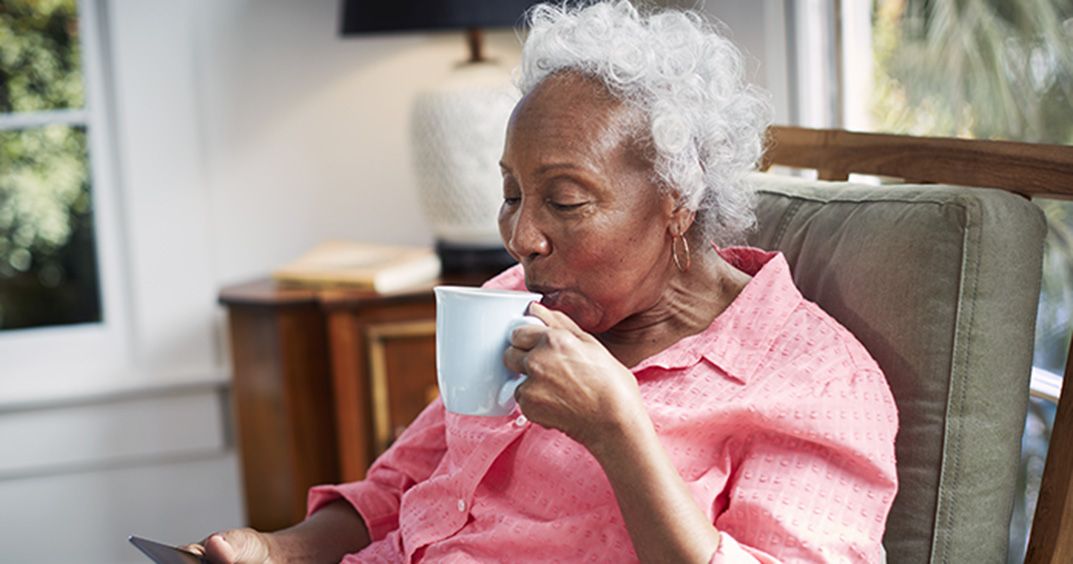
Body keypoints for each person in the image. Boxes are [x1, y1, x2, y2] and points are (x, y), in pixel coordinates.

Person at [187, 2, 898, 562]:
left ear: (677, 199)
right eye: (512, 194)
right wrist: (277, 551)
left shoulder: (812, 383)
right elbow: (400, 488)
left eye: (564, 200)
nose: (523, 237)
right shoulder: (510, 304)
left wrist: (619, 432)